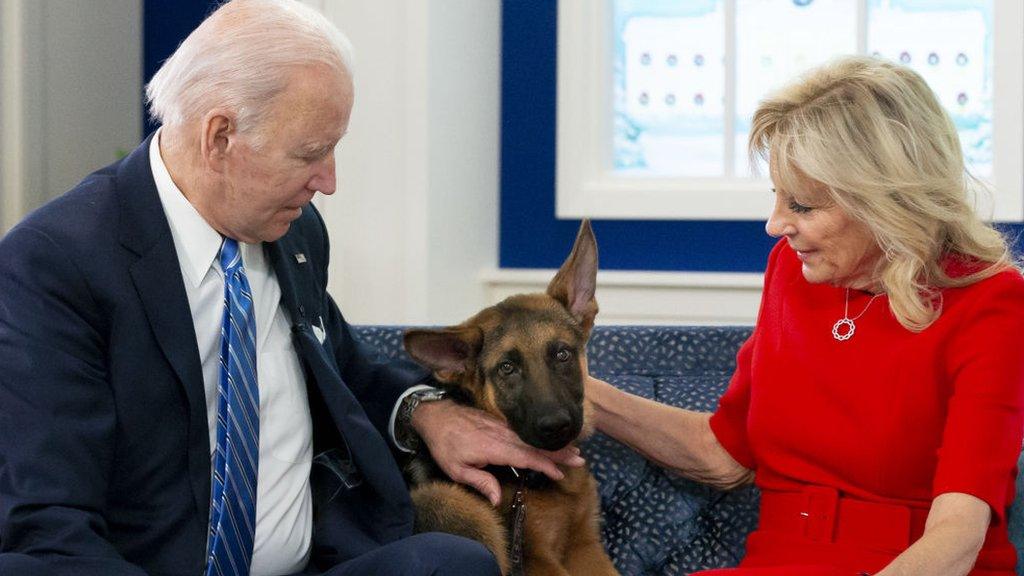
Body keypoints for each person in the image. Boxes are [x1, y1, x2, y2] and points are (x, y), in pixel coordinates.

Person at [0, 1, 583, 575]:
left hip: (316, 562)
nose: (329, 181)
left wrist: (425, 412)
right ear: (220, 137)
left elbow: (348, 373)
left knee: (452, 562)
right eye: (310, 153)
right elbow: (51, 522)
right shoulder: (56, 264)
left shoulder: (292, 230)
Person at [586, 55, 1024, 576]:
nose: (775, 225)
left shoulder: (991, 299)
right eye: (777, 197)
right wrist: (574, 389)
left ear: (886, 201)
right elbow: (725, 453)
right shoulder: (792, 271)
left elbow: (958, 534)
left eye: (804, 206)